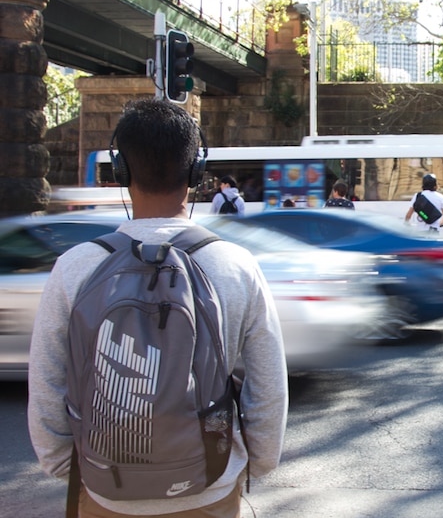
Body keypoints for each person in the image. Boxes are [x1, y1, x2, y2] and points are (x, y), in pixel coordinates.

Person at [28, 98, 289, 517]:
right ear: (195, 173)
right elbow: (267, 388)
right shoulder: (236, 266)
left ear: (121, 171)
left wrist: (69, 466)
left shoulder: (74, 267)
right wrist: (247, 466)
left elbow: (46, 385)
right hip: (209, 488)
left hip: (103, 492)